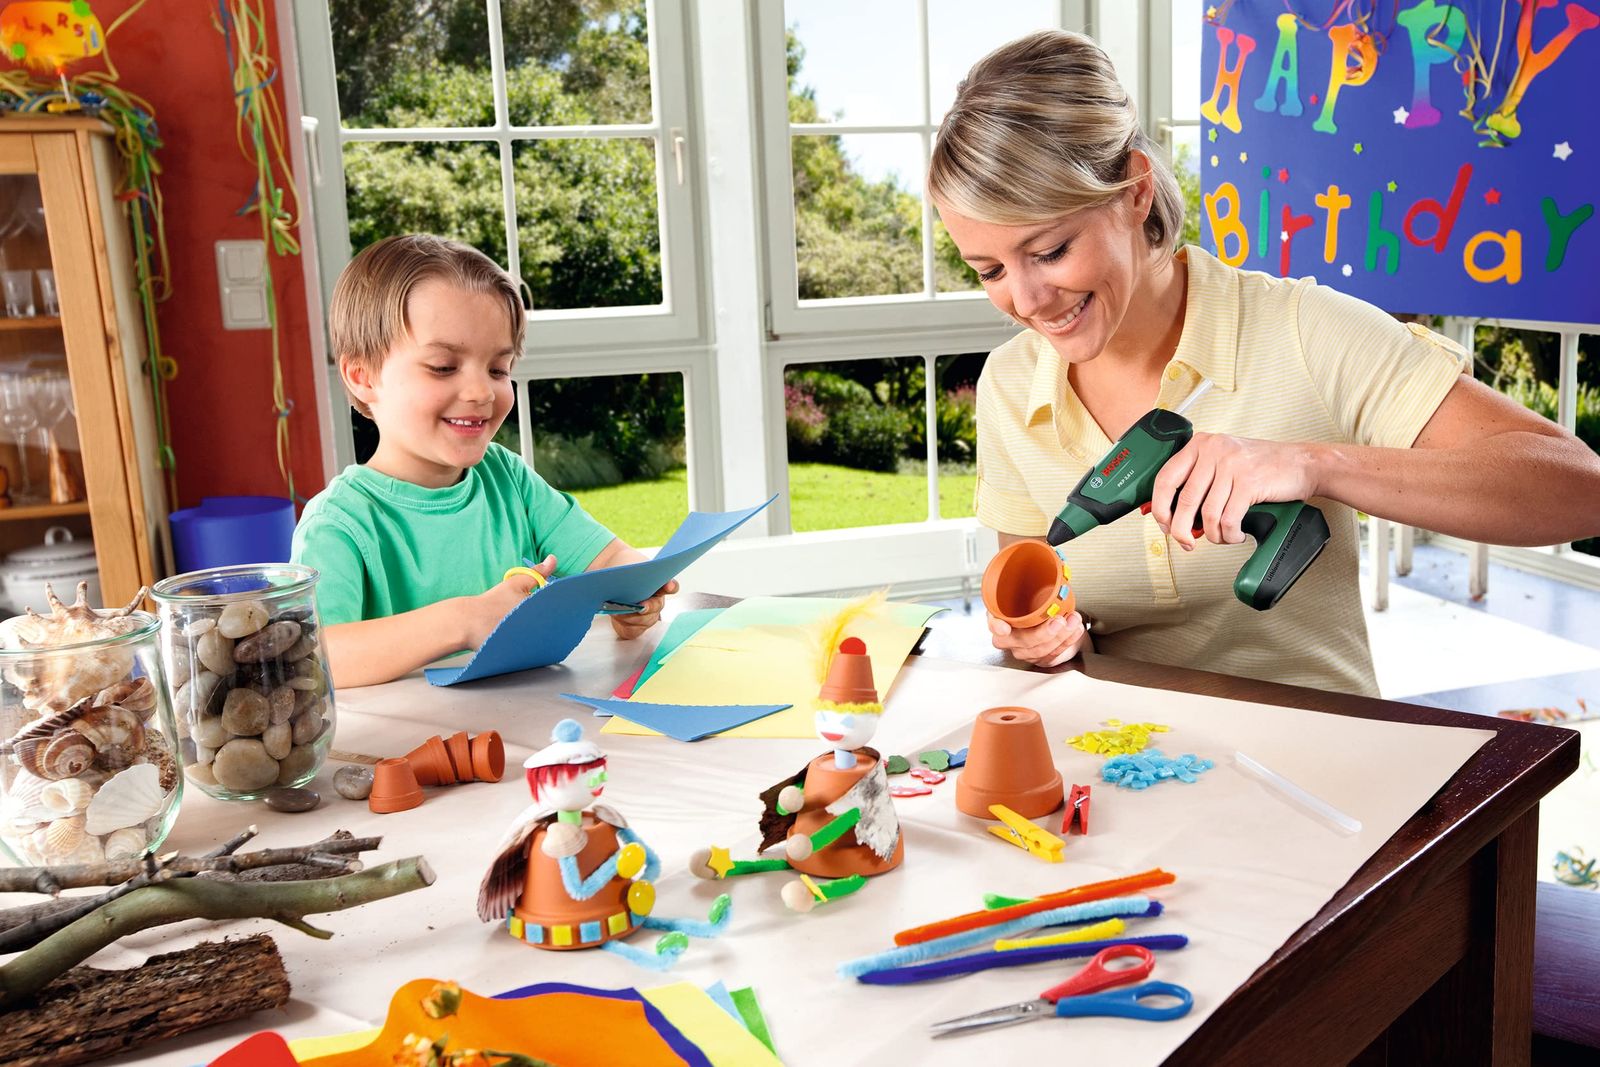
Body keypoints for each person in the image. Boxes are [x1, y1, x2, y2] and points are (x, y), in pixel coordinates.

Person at [931, 30, 1600, 695]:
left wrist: (1315, 464)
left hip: (1320, 749)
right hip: (1122, 751)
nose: (1026, 301)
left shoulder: (1302, 329)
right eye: (990, 270)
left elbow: (1580, 489)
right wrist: (1051, 642)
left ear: (1135, 192)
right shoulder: (1011, 384)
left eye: (1050, 252)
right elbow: (1034, 625)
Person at [292, 235, 674, 688]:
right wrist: (464, 620)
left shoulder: (508, 479)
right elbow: (317, 656)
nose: (480, 392)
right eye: (443, 366)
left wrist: (634, 593)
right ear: (362, 376)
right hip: (413, 734)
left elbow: (607, 556)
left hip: (529, 720)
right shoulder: (339, 523)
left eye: (498, 369)